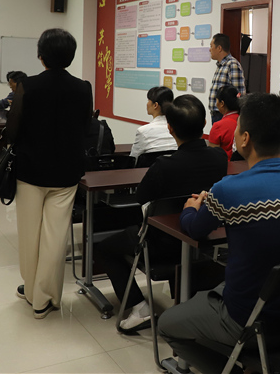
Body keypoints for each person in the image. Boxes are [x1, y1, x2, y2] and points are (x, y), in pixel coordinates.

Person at [158, 93, 280, 374]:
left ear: (245, 138)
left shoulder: (228, 189)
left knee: (166, 324)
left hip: (249, 321)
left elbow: (195, 229)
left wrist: (191, 208)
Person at [96, 94, 228, 331]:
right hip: (202, 238)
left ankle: (140, 308)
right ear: (204, 124)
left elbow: (140, 197)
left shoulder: (165, 166)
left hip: (160, 244)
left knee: (105, 248)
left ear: (170, 129)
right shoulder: (219, 158)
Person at [5, 28, 93, 319]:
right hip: (67, 172)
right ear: (71, 56)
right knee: (55, 237)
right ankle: (45, 296)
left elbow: (13, 129)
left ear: (40, 56)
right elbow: (86, 128)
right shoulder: (83, 88)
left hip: (30, 171)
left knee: (30, 235)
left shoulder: (26, 86)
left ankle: (33, 291)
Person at [129, 86, 177, 159]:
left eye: (148, 100)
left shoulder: (143, 131)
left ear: (155, 105)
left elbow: (133, 159)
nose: (147, 103)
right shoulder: (179, 128)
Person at [208, 33, 245, 123]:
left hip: (225, 116)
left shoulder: (232, 64)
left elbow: (239, 94)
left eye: (211, 46)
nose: (209, 49)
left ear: (219, 48)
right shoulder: (221, 65)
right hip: (217, 114)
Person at [207, 85, 239, 161]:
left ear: (222, 103)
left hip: (226, 166)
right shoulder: (245, 120)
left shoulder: (218, 126)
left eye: (216, 101)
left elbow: (212, 156)